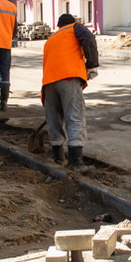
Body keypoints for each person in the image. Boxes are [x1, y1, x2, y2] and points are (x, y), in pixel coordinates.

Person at [42, 13, 99, 173]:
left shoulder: (51, 40)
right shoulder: (74, 28)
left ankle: (58, 158)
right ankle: (76, 162)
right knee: (75, 116)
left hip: (48, 84)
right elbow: (88, 38)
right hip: (68, 78)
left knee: (54, 120)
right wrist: (92, 64)